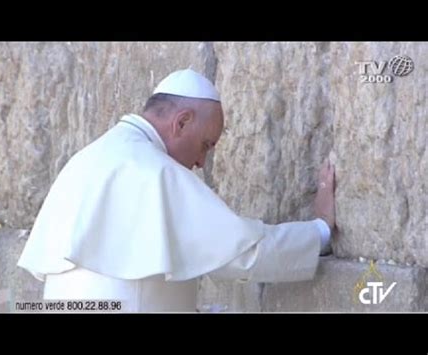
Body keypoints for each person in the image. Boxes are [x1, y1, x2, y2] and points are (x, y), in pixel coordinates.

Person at [17, 68, 336, 312]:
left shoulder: (86, 160)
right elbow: (244, 253)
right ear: (182, 122)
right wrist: (319, 231)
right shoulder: (155, 171)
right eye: (206, 145)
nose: (200, 161)